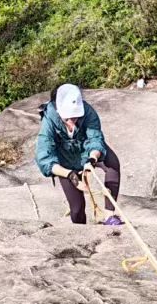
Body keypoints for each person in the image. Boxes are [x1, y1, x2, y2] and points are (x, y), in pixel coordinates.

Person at [35, 82, 123, 227]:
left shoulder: (88, 112)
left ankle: (109, 216)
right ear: (58, 110)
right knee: (77, 209)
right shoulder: (49, 119)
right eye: (67, 118)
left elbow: (95, 138)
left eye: (75, 117)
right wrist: (69, 175)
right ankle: (81, 232)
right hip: (65, 162)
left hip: (85, 152)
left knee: (112, 163)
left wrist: (92, 159)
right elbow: (44, 156)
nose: (72, 121)